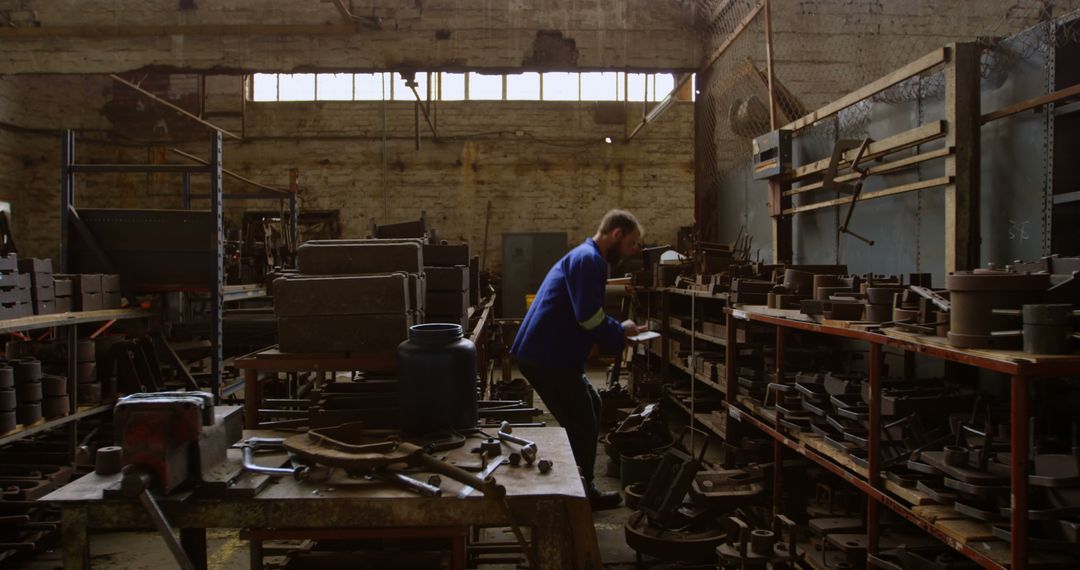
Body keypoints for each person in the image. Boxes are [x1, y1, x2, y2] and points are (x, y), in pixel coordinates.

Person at [510, 209, 647, 510]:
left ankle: (576, 483)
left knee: (592, 406)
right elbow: (588, 317)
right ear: (616, 234)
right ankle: (580, 494)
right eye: (631, 243)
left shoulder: (586, 257)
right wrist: (619, 330)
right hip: (545, 357)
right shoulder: (589, 260)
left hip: (550, 355)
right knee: (582, 421)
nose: (632, 251)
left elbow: (583, 316)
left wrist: (613, 332)